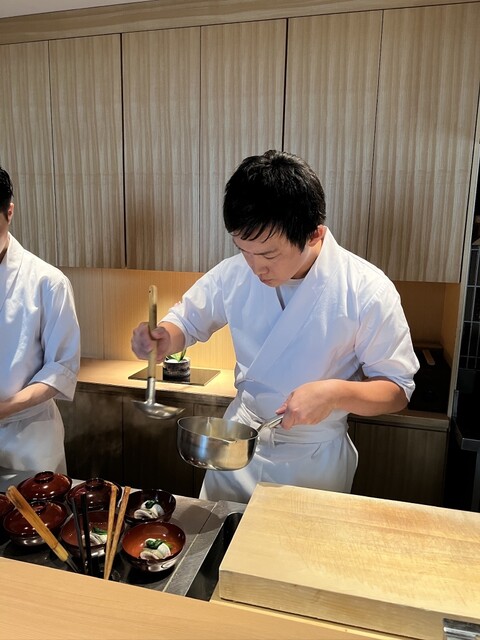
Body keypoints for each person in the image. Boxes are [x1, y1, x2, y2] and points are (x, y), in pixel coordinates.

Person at [131, 150, 419, 503]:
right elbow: (187, 319)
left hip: (311, 463)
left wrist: (334, 394)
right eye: (243, 249)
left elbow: (396, 390)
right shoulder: (234, 272)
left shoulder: (366, 289)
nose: (255, 267)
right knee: (219, 535)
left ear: (314, 235)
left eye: (268, 254)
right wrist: (164, 338)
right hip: (236, 448)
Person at [0, 166, 81, 474]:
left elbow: (60, 368)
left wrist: (5, 409)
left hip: (30, 440)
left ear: (9, 212)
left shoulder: (48, 283)